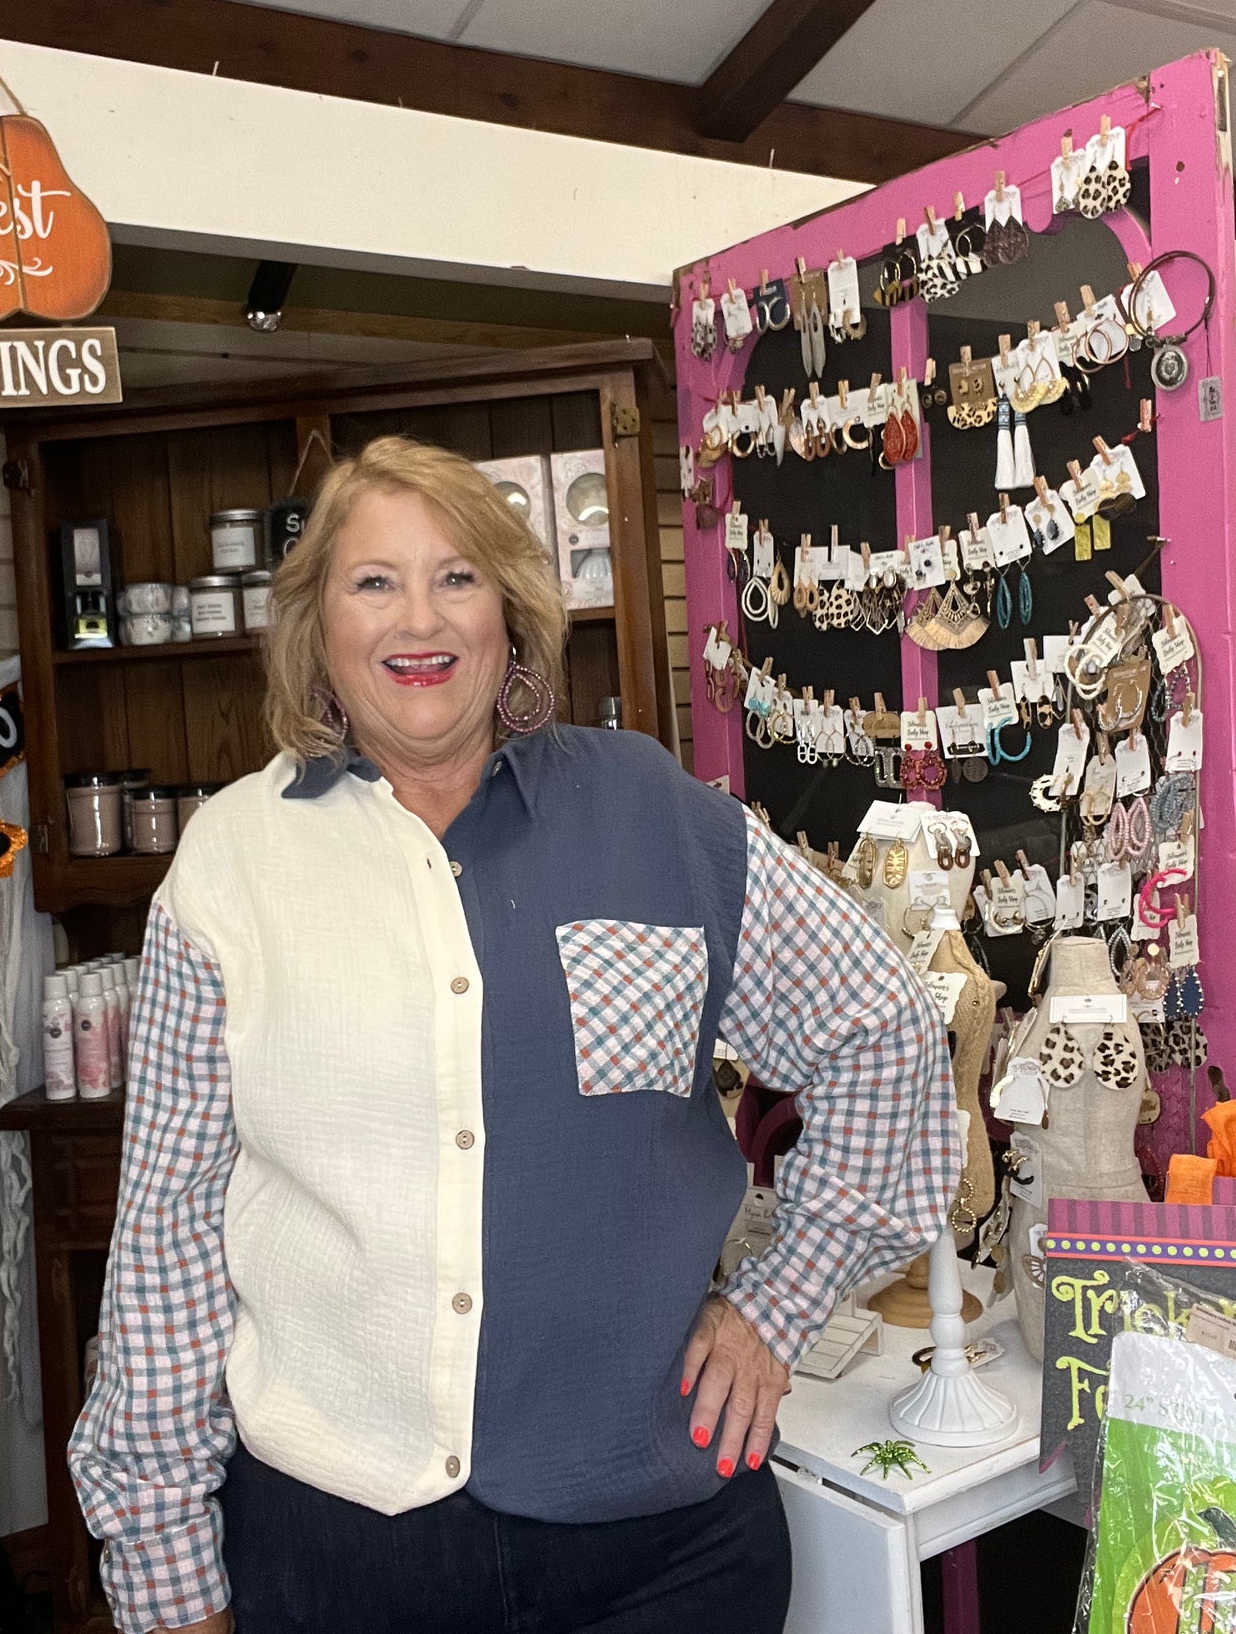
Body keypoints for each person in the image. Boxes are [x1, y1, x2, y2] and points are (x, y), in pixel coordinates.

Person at [69, 435, 959, 1634]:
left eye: (457, 576)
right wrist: (166, 1575)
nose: (417, 618)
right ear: (317, 625)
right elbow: (166, 1252)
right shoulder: (231, 864)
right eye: (371, 580)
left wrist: (775, 1303)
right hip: (340, 1561)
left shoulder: (651, 811)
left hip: (660, 1552)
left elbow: (881, 1027)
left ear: (512, 611)